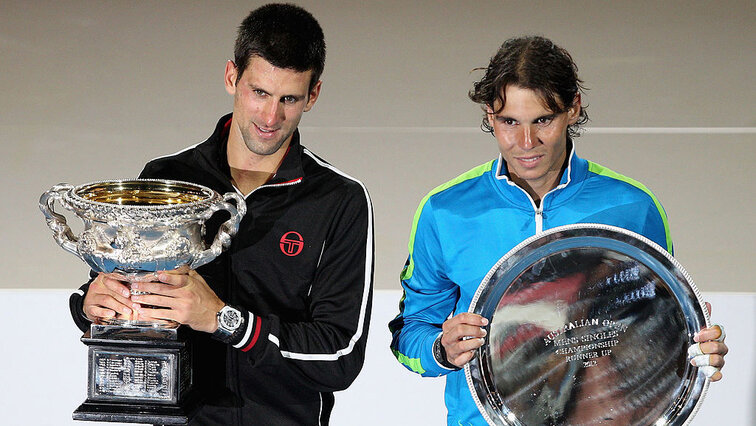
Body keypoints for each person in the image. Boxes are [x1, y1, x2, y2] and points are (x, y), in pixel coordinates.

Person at [388, 35, 728, 425]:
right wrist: (441, 351)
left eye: (542, 121)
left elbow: (658, 328)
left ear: (573, 108)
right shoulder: (445, 210)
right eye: (509, 122)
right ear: (488, 115)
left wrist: (698, 347)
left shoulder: (633, 206)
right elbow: (408, 334)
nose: (526, 142)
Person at [69, 4, 374, 425]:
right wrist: (92, 303)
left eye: (290, 98)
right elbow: (122, 296)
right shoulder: (167, 179)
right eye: (260, 93)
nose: (271, 117)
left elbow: (339, 357)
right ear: (232, 77)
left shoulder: (339, 200)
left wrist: (224, 320)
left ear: (313, 95)